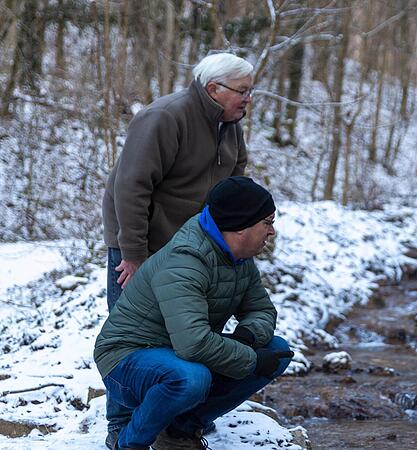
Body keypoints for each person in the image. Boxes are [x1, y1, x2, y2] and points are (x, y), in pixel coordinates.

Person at [101, 53, 255, 447]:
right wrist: (132, 254)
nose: (248, 99)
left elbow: (232, 186)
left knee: (189, 334)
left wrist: (230, 243)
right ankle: (121, 427)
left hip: (196, 249)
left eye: (250, 91)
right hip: (144, 244)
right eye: (243, 91)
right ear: (213, 90)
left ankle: (175, 421)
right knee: (134, 338)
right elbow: (131, 187)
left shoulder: (229, 124)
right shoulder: (165, 117)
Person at [94, 177, 293, 450]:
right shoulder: (186, 261)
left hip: (179, 352)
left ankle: (179, 431)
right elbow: (194, 343)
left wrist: (247, 337)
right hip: (126, 359)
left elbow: (261, 309)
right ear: (239, 227)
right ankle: (130, 443)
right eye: (267, 222)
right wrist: (251, 359)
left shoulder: (238, 258)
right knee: (191, 378)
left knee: (277, 350)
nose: (272, 232)